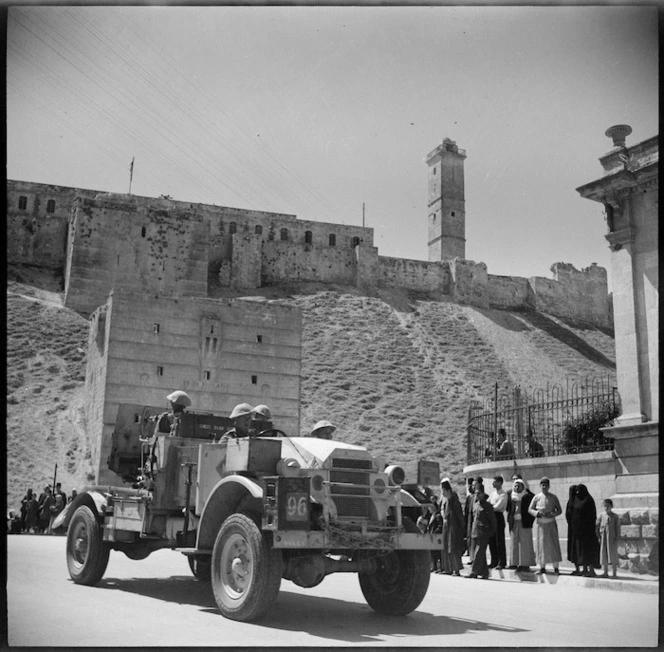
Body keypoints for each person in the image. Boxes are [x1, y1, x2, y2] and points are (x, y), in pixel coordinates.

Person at [528, 476, 563, 574]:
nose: (544, 487)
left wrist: (551, 514)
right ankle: (542, 567)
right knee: (541, 546)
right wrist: (537, 513)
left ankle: (556, 568)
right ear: (540, 486)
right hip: (541, 525)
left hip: (551, 523)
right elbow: (530, 509)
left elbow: (559, 510)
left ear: (549, 486)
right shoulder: (536, 497)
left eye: (546, 485)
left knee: (553, 545)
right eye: (542, 485)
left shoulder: (553, 497)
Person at [466, 479, 496, 579]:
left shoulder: (488, 506)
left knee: (478, 553)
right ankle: (484, 572)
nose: (477, 495)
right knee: (480, 553)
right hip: (475, 531)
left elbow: (493, 521)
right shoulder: (475, 505)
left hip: (484, 532)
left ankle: (474, 571)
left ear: (483, 494)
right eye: (475, 493)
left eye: (479, 493)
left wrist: (491, 532)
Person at [569, 484, 600, 577]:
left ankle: (591, 570)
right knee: (582, 552)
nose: (578, 493)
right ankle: (584, 569)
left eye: (580, 491)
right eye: (577, 491)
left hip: (588, 532)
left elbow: (592, 515)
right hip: (579, 532)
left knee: (589, 551)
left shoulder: (589, 500)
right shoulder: (576, 500)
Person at [506, 477, 536, 571]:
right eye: (516, 485)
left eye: (520, 485)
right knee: (514, 543)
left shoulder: (528, 496)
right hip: (514, 522)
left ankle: (525, 564)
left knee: (525, 543)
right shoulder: (510, 496)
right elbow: (508, 508)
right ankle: (514, 563)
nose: (517, 487)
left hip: (524, 522)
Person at [440, 478, 465, 576]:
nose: (443, 494)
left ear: (448, 491)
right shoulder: (447, 502)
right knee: (446, 548)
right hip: (447, 527)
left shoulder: (455, 502)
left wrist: (461, 529)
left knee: (454, 548)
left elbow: (460, 517)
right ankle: (449, 569)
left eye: (444, 492)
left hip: (454, 528)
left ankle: (456, 569)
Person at [488, 475, 508, 570]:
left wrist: (490, 507)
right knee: (492, 540)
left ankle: (501, 562)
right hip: (491, 518)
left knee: (499, 541)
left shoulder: (503, 494)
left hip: (498, 517)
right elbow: (487, 504)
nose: (493, 483)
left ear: (500, 483)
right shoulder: (492, 494)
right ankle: (494, 561)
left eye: (495, 481)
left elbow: (497, 507)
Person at [596, 498, 620, 578]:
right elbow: (597, 526)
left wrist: (617, 538)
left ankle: (614, 573)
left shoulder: (615, 516)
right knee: (604, 554)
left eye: (608, 506)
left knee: (613, 555)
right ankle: (605, 572)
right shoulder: (601, 515)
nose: (606, 508)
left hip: (612, 539)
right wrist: (598, 537)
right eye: (605, 506)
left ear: (611, 506)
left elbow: (618, 528)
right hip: (603, 539)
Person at [565, 485, 579, 573]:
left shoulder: (577, 502)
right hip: (572, 529)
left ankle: (580, 569)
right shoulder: (570, 502)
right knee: (573, 550)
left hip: (576, 529)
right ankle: (577, 568)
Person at [464, 477, 477, 563]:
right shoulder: (469, 497)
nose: (471, 487)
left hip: (475, 521)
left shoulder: (477, 496)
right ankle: (471, 558)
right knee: (470, 540)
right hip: (469, 521)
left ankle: (475, 558)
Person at [427, 504, 444, 573]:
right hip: (431, 536)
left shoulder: (438, 516)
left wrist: (435, 532)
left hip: (436, 536)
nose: (429, 509)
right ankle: (434, 566)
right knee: (433, 552)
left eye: (430, 508)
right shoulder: (431, 516)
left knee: (438, 552)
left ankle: (441, 567)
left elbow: (440, 526)